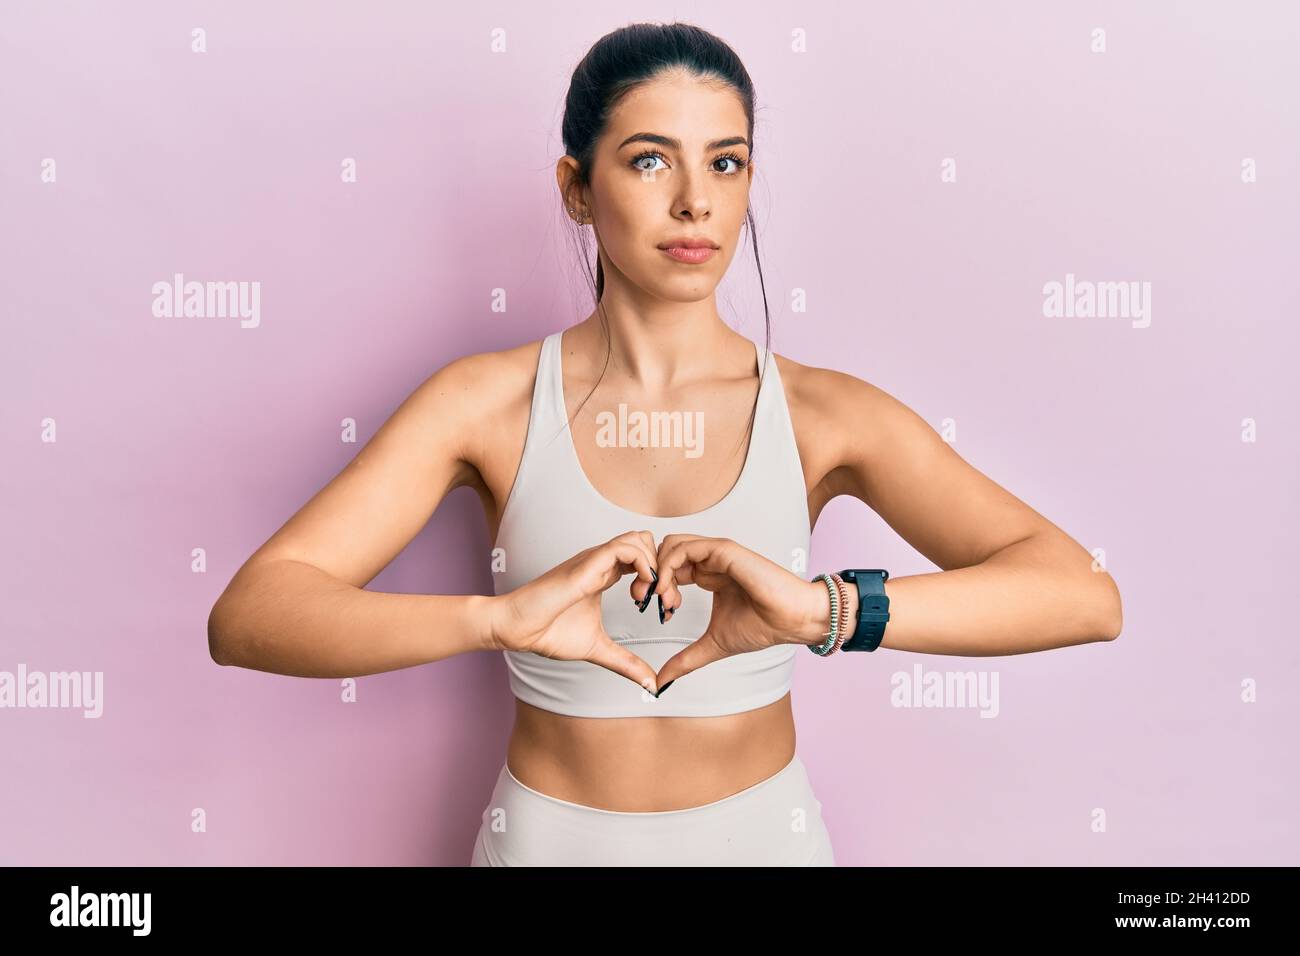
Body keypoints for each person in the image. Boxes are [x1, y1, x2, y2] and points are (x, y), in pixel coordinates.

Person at [207, 22, 1123, 867]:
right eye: (651, 161)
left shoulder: (824, 414)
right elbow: (252, 614)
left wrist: (823, 612)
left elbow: (1081, 595)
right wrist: (495, 621)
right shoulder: (482, 404)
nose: (695, 202)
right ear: (575, 188)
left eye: (726, 164)